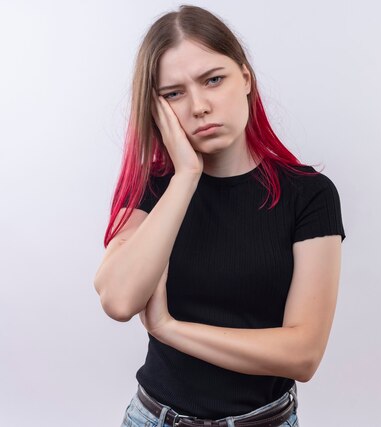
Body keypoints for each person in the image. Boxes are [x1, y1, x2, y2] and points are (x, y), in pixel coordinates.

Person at [93, 4, 346, 427]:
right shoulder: (155, 190)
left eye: (213, 80)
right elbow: (118, 300)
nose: (199, 106)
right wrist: (186, 175)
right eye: (173, 93)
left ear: (245, 78)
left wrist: (170, 329)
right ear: (155, 107)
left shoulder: (309, 195)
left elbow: (303, 354)